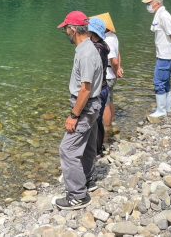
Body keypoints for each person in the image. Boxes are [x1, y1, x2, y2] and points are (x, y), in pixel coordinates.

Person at [54, 11, 103, 210]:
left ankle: (77, 195)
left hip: (86, 106)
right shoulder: (88, 47)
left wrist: (74, 115)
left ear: (73, 30)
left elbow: (85, 89)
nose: (65, 32)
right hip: (93, 106)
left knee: (67, 149)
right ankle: (88, 180)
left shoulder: (86, 53)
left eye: (66, 28)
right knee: (89, 144)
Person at [142, 0, 171, 117]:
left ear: (157, 3)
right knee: (165, 81)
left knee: (159, 81)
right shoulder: (160, 15)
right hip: (165, 54)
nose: (148, 5)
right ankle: (168, 108)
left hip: (166, 55)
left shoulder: (164, 16)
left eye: (150, 3)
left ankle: (161, 110)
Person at [92, 12, 123, 146]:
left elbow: (114, 60)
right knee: (110, 100)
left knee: (105, 104)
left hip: (109, 74)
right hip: (112, 73)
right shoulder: (113, 36)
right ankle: (110, 123)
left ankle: (107, 127)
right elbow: (118, 54)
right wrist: (119, 69)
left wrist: (117, 70)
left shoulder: (107, 39)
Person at [87, 17, 110, 156]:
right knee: (98, 121)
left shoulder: (96, 49)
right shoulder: (103, 45)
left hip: (98, 90)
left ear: (92, 33)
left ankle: (94, 150)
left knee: (93, 122)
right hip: (104, 87)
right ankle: (98, 148)